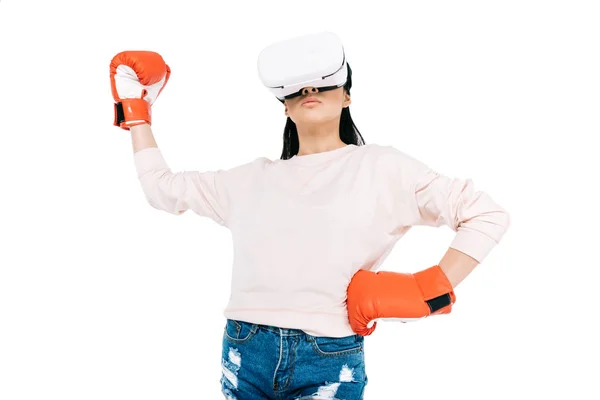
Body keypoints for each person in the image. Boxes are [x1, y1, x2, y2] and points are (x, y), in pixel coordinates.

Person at [109, 33, 510, 400]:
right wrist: (137, 110)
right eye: (297, 89)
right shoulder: (250, 179)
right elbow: (160, 188)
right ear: (285, 105)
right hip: (244, 348)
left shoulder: (384, 168)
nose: (310, 90)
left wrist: (429, 290)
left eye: (322, 83)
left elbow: (486, 214)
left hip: (329, 355)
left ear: (347, 97)